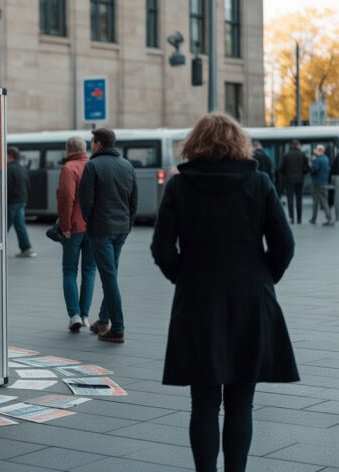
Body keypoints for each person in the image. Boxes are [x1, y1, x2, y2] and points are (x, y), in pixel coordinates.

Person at [151, 112, 298, 472]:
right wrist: (264, 278)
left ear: (195, 143)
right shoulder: (259, 182)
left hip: (198, 300)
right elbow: (284, 245)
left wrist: (183, 277)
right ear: (237, 142)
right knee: (241, 402)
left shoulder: (179, 186)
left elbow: (162, 248)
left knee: (202, 402)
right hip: (251, 299)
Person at [78, 128, 137, 343]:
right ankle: (103, 320)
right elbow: (133, 201)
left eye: (92, 142)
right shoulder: (127, 165)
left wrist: (90, 221)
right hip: (121, 229)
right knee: (111, 274)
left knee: (109, 278)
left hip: (101, 230)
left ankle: (118, 327)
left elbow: (86, 201)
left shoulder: (93, 166)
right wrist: (127, 225)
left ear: (99, 144)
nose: (91, 145)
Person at [56, 136, 96, 332]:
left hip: (74, 227)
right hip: (95, 228)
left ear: (67, 149)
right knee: (89, 271)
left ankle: (74, 315)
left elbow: (66, 198)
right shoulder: (94, 165)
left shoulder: (69, 168)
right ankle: (86, 315)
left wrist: (65, 225)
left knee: (70, 271)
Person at [6, 146, 35, 257]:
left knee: (4, 226)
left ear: (10, 156)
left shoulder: (9, 169)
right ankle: (26, 248)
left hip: (12, 201)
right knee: (20, 225)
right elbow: (27, 184)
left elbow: (7, 188)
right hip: (21, 200)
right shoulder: (22, 168)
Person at [278, 139, 309, 224]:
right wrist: (302, 173)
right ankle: (299, 218)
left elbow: (281, 169)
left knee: (290, 199)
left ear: (291, 145)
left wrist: (286, 174)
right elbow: (307, 168)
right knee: (299, 199)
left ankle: (292, 218)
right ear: (298, 145)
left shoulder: (286, 155)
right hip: (300, 180)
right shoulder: (303, 155)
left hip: (289, 180)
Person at [309, 144, 334, 225]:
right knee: (321, 201)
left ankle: (329, 218)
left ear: (319, 150)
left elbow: (314, 170)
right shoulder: (326, 158)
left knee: (320, 201)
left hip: (317, 183)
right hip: (324, 182)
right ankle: (313, 218)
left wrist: (312, 161)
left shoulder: (318, 159)